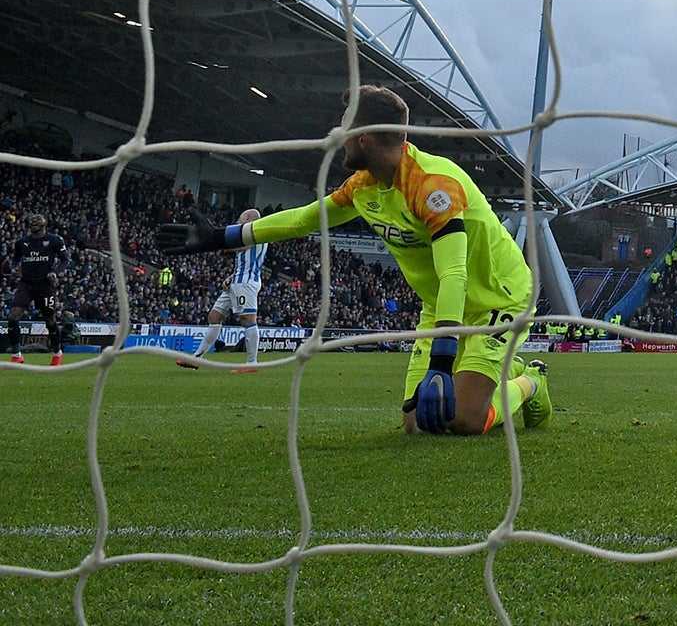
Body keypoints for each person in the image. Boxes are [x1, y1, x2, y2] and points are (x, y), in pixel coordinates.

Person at [157, 85, 553, 435]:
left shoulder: (434, 187)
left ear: (362, 138)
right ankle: (501, 374)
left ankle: (529, 380)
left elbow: (455, 273)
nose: (336, 135)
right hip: (441, 306)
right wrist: (221, 237)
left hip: (498, 299)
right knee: (420, 426)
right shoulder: (363, 187)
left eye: (343, 126)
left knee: (465, 421)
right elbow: (303, 219)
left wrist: (442, 360)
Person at [186, 208, 266, 370]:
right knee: (214, 317)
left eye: (240, 219)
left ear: (249, 219)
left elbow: (244, 247)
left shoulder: (256, 231)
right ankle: (197, 358)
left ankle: (252, 363)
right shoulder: (248, 234)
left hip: (246, 282)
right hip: (236, 281)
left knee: (248, 320)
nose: (237, 222)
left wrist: (218, 244)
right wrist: (231, 277)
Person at [7, 213, 66, 365]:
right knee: (13, 317)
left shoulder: (54, 240)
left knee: (50, 321)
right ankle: (16, 355)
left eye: (38, 219)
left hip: (44, 285)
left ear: (45, 223)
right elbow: (15, 260)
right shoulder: (22, 242)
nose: (34, 221)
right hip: (26, 284)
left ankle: (58, 352)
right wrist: (14, 269)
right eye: (32, 219)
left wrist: (55, 272)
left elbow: (65, 260)